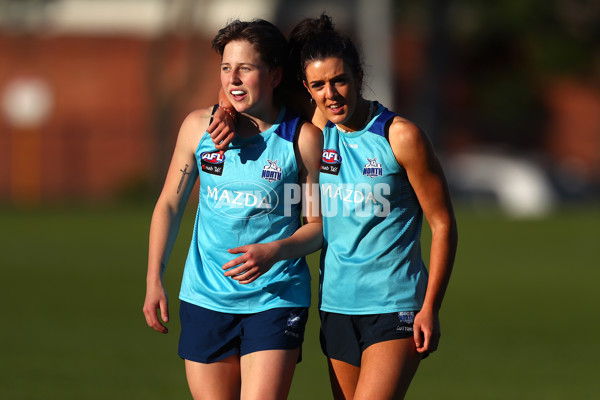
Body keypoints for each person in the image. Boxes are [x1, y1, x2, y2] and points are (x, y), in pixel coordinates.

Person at [142, 18, 323, 400]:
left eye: (245, 68)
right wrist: (154, 278)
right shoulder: (197, 129)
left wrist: (275, 251)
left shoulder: (303, 139)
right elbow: (170, 205)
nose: (233, 79)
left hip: (276, 297)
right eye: (226, 68)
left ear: (274, 76)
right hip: (205, 297)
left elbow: (319, 227)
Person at [296, 14, 458, 399]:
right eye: (318, 85)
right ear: (307, 88)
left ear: (358, 76)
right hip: (335, 305)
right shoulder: (317, 134)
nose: (331, 93)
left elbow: (443, 224)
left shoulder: (400, 136)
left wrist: (430, 307)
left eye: (339, 80)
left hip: (395, 306)